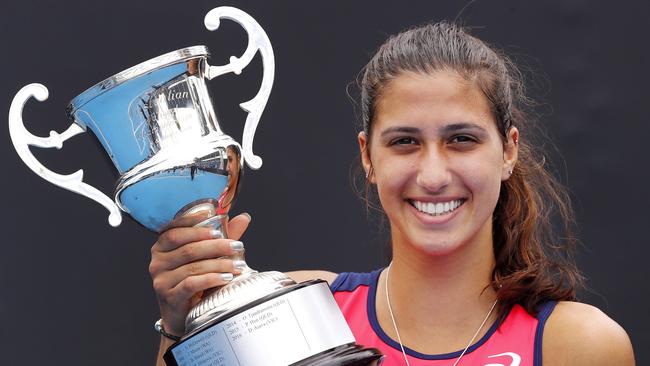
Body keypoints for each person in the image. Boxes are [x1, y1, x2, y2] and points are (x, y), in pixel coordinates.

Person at [149, 22, 635, 365]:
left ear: (508, 151)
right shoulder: (307, 313)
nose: (433, 174)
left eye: (461, 139)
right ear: (368, 157)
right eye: (405, 142)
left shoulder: (577, 344)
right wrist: (180, 326)